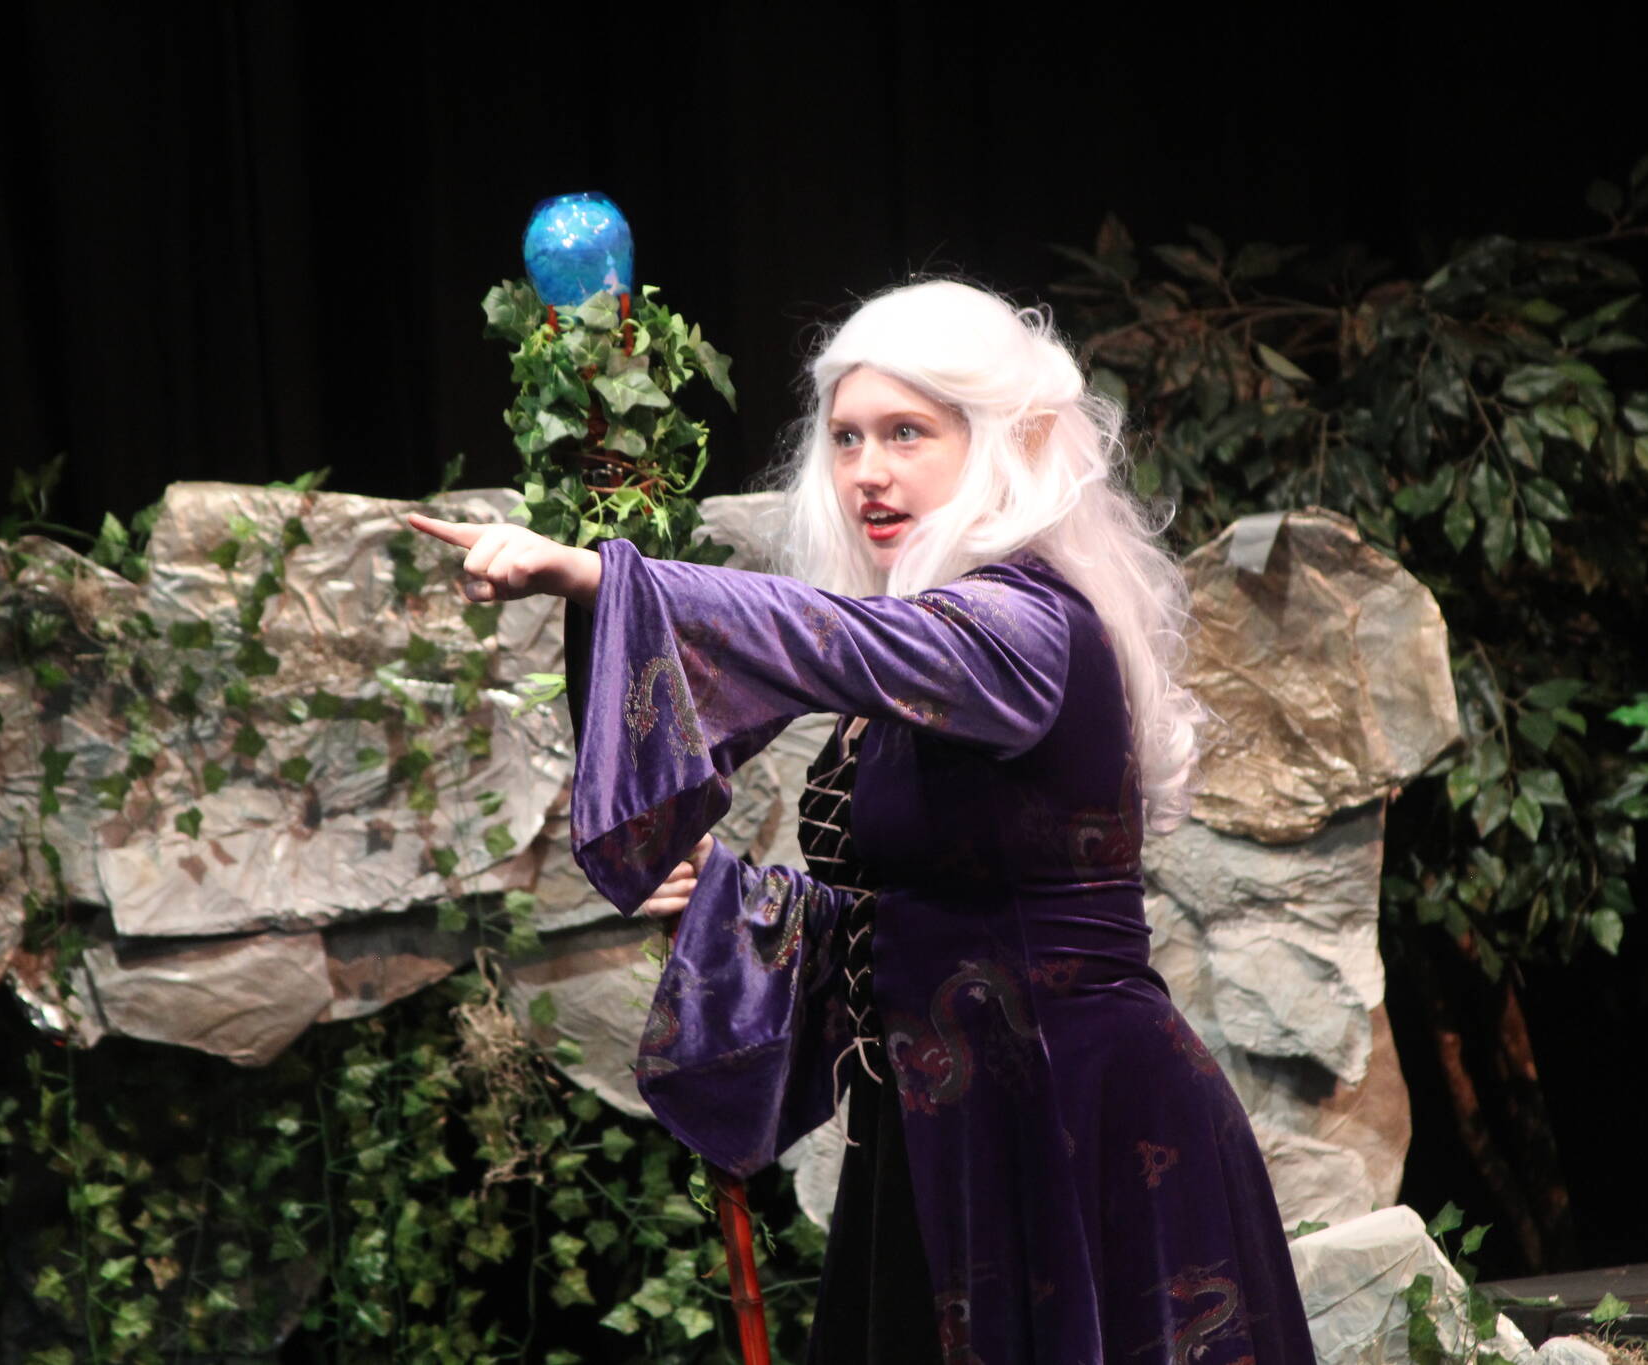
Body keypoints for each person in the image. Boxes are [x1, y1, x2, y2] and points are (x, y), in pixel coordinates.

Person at [407, 280, 1315, 1364]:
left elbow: (824, 639)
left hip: (1068, 1124)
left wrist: (599, 576)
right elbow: (919, 917)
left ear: (999, 445)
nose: (866, 471)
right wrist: (734, 902)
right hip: (940, 1132)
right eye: (845, 438)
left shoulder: (1021, 626)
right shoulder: (934, 647)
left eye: (905, 433)